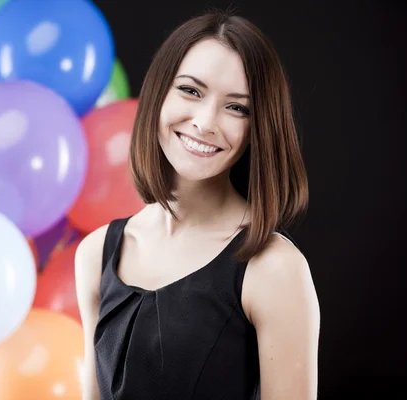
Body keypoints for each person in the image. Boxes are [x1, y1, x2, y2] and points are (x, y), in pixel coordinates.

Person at [75, 10, 320, 400]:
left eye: (237, 107)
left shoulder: (271, 266)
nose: (206, 122)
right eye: (191, 90)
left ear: (257, 129)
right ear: (158, 92)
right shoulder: (96, 253)